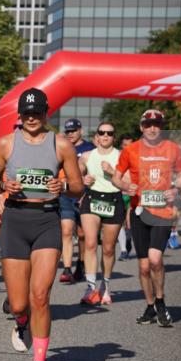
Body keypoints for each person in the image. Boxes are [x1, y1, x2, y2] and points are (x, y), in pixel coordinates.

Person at [0, 88, 84, 361]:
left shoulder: (62, 145)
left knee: (40, 295)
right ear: (20, 115)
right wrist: (3, 186)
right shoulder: (5, 144)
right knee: (19, 303)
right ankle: (21, 322)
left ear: (46, 113)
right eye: (26, 113)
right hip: (15, 220)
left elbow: (79, 187)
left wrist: (63, 188)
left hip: (46, 220)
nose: (31, 118)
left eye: (37, 113)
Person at [112, 109, 181, 328]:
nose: (152, 128)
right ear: (141, 127)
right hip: (139, 213)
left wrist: (176, 187)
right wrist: (126, 186)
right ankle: (149, 305)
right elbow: (117, 178)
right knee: (144, 266)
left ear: (162, 126)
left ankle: (161, 302)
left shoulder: (173, 149)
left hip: (163, 212)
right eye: (147, 124)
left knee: (155, 259)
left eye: (156, 124)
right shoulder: (130, 150)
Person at [76, 121, 124, 306]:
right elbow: (75, 175)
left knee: (109, 248)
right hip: (92, 199)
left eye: (109, 133)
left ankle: (105, 285)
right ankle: (90, 287)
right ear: (97, 135)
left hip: (113, 200)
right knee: (90, 243)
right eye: (102, 132)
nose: (105, 136)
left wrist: (112, 173)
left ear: (114, 136)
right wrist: (82, 179)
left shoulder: (121, 156)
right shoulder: (87, 156)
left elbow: (127, 181)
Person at [58, 118, 95, 283]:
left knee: (81, 235)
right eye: (68, 131)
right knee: (66, 231)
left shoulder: (90, 149)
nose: (70, 134)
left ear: (80, 130)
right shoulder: (62, 147)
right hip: (65, 194)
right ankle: (66, 269)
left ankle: (80, 264)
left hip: (83, 195)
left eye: (73, 131)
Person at [118, 135, 136, 259]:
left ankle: (128, 241)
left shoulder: (139, 157)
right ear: (121, 145)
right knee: (119, 223)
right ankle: (124, 250)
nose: (128, 147)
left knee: (130, 223)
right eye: (125, 145)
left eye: (130, 144)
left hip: (133, 194)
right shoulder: (116, 156)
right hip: (119, 193)